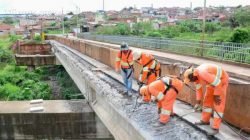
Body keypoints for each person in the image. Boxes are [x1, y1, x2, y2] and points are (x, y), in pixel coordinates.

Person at [183, 63, 229, 134]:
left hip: (221, 81)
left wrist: (216, 95)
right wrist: (198, 103)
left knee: (218, 104)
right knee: (207, 101)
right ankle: (205, 120)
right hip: (212, 82)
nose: (191, 82)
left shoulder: (202, 73)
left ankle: (216, 128)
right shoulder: (196, 78)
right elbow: (199, 91)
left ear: (193, 76)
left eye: (190, 80)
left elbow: (218, 83)